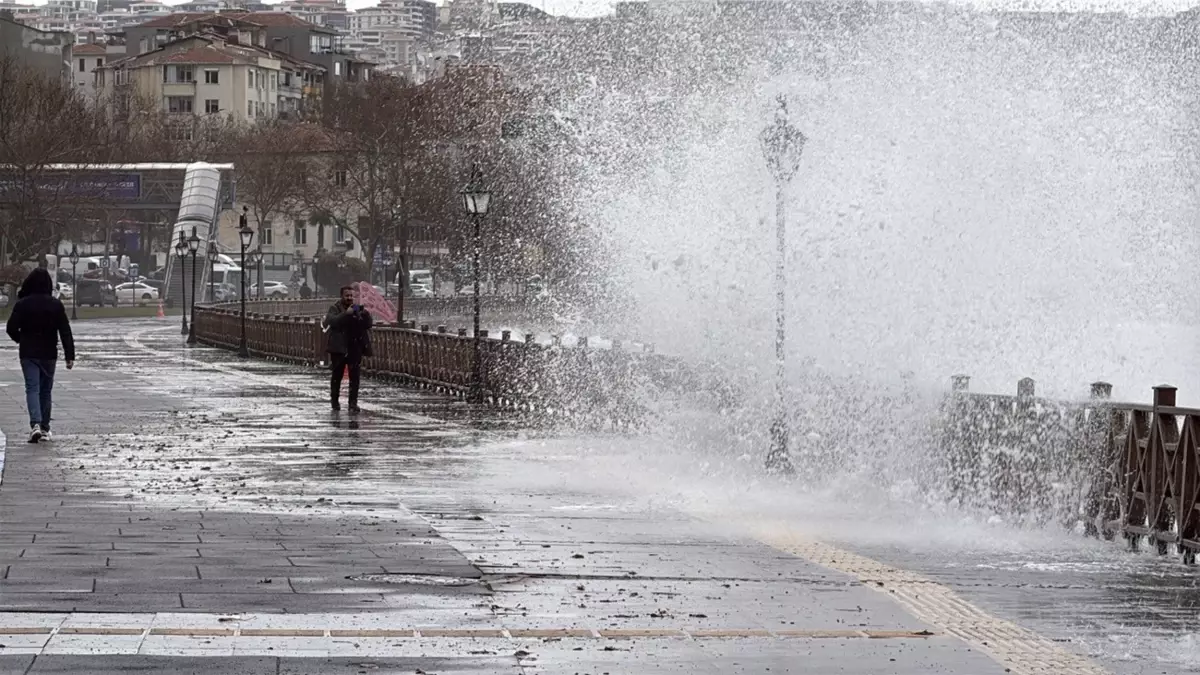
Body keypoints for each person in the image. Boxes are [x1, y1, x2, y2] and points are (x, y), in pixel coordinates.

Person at [6, 268, 74, 443]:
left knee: (32, 388)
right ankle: (45, 428)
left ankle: (35, 423)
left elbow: (11, 328)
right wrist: (69, 355)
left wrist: (21, 339)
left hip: (28, 352)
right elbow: (65, 330)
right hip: (49, 352)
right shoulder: (55, 304)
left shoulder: (23, 304)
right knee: (45, 390)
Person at [322, 285, 372, 412]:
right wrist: (346, 314)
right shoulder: (334, 308)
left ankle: (353, 404)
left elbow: (368, 324)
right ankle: (334, 401)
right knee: (336, 376)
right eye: (347, 295)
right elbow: (332, 321)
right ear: (341, 296)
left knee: (354, 377)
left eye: (351, 295)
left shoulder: (356, 309)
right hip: (339, 348)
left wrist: (364, 314)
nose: (349, 298)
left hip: (354, 347)